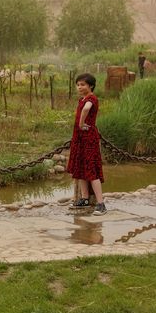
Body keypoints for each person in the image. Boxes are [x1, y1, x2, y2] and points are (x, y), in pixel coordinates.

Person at [66, 73, 107, 215]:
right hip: (79, 138)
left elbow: (86, 109)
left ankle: (101, 204)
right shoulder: (82, 99)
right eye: (78, 85)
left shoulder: (91, 98)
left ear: (91, 86)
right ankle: (84, 198)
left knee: (91, 170)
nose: (79, 87)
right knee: (81, 168)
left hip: (88, 138)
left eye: (83, 84)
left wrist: (81, 123)